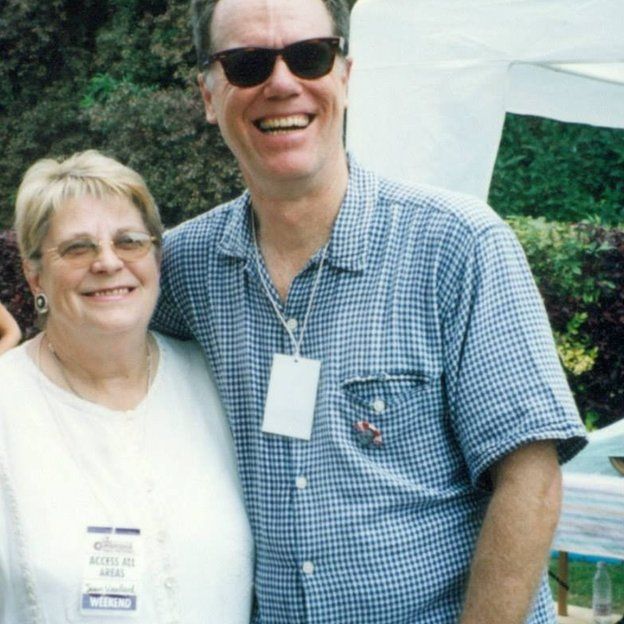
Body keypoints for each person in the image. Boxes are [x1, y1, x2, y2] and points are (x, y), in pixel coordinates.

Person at [151, 0, 588, 622]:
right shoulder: (183, 268)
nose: (281, 83)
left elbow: (530, 481)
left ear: (345, 76)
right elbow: (88, 361)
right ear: (208, 94)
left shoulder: (457, 244)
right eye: (247, 63)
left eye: (309, 56)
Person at [0, 150, 253, 623]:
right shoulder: (8, 407)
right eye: (77, 248)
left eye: (130, 241)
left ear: (157, 258)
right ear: (35, 274)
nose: (108, 262)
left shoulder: (214, 381)